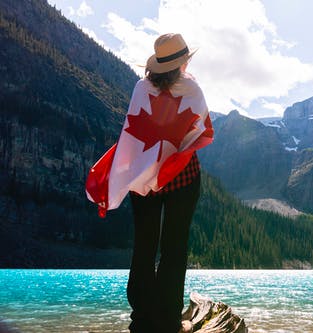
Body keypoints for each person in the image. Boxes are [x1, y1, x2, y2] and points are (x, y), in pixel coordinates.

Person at [86, 33, 213, 333]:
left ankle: (141, 319)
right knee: (174, 246)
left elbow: (132, 134)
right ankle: (169, 320)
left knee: (144, 245)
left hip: (142, 180)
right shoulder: (192, 88)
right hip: (182, 178)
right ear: (183, 62)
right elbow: (201, 130)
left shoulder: (141, 88)